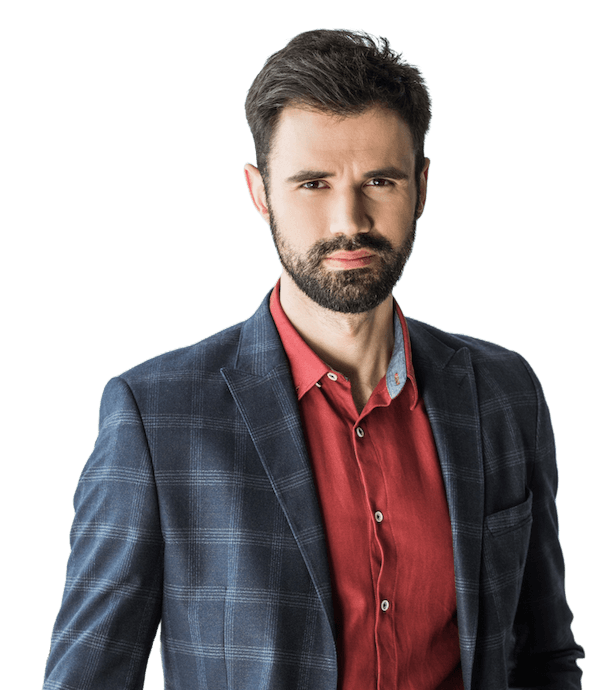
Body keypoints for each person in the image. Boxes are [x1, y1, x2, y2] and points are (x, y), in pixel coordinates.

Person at [43, 28, 584, 690]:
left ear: (422, 185)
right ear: (260, 193)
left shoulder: (504, 391)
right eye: (313, 183)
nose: (347, 220)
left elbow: (543, 656)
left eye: (379, 180)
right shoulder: (156, 416)